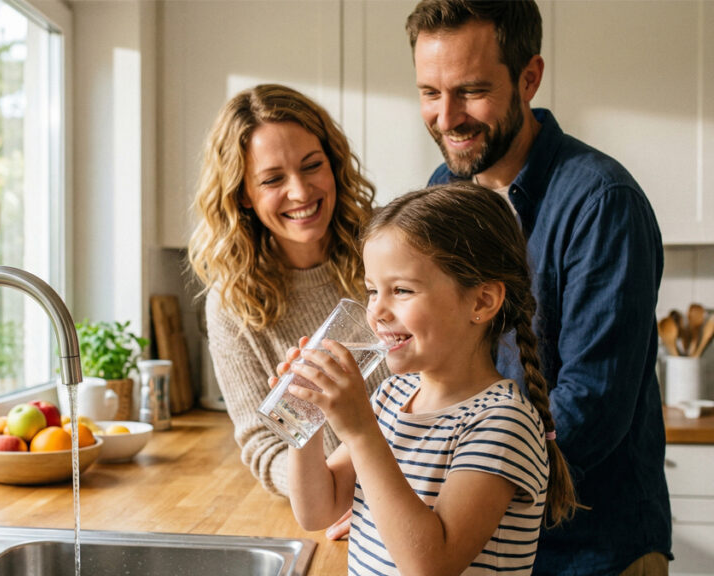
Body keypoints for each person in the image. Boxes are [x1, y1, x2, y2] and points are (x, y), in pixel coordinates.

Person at [405, 1, 671, 574]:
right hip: (485, 541)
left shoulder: (603, 203)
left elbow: (591, 406)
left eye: (470, 90)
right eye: (430, 92)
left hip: (592, 551)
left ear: (529, 77)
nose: (446, 117)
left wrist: (462, 501)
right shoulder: (443, 191)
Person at [283, 182, 576, 575]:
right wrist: (306, 417)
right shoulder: (392, 395)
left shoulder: (503, 423)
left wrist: (360, 431)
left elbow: (431, 565)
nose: (377, 312)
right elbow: (317, 510)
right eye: (373, 290)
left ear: (481, 301)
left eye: (401, 290)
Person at [187, 84, 391, 504]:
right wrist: (330, 493)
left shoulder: (387, 250)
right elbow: (266, 443)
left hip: (433, 487)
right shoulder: (231, 304)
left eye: (312, 165)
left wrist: (387, 495)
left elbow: (443, 381)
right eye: (273, 179)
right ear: (243, 191)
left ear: (333, 164)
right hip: (334, 508)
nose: (300, 192)